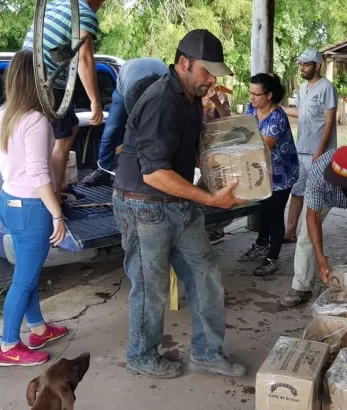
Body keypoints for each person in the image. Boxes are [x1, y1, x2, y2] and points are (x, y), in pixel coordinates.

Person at [112, 29, 246, 379]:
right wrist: (210, 197)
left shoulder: (189, 97)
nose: (211, 80)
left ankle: (207, 353)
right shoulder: (162, 100)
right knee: (151, 286)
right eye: (206, 71)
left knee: (206, 276)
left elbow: (190, 148)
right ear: (183, 63)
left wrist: (214, 174)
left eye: (215, 73)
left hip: (178, 204)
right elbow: (155, 173)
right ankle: (141, 354)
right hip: (144, 207)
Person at [0, 50, 68, 366]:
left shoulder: (4, 114)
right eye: (46, 73)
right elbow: (39, 173)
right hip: (31, 208)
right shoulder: (36, 119)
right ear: (38, 80)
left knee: (24, 274)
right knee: (25, 279)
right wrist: (57, 213)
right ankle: (8, 345)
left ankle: (39, 328)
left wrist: (9, 159)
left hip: (8, 203)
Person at [281, 146, 347, 307]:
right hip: (326, 197)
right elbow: (313, 215)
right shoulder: (319, 171)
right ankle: (301, 287)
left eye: (341, 180)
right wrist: (320, 256)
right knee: (306, 237)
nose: (336, 182)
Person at [22, 0, 105, 200]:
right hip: (47, 82)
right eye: (102, 2)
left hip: (24, 74)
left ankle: (60, 185)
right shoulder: (84, 13)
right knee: (63, 138)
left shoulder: (57, 4)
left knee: (72, 126)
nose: (101, 6)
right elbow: (84, 58)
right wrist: (95, 101)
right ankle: (54, 196)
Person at [237, 74, 299, 276]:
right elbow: (241, 126)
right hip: (262, 171)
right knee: (262, 210)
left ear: (269, 95)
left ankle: (273, 257)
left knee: (274, 214)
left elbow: (261, 148)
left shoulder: (277, 119)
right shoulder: (252, 108)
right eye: (251, 93)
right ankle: (261, 243)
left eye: (257, 94)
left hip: (281, 174)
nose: (252, 98)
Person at [81, 58, 169, 187]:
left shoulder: (167, 90)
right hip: (126, 82)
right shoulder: (130, 94)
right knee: (112, 129)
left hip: (152, 76)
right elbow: (134, 126)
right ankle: (103, 169)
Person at [283, 48, 338, 242]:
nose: (302, 68)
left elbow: (330, 120)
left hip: (319, 153)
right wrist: (277, 109)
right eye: (301, 65)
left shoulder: (326, 88)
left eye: (306, 65)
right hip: (301, 150)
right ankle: (289, 232)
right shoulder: (303, 89)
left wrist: (321, 151)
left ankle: (309, 236)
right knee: (297, 192)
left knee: (315, 196)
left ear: (317, 66)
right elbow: (301, 112)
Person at [202, 84, 233, 245]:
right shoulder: (191, 92)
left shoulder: (219, 94)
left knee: (214, 184)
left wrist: (216, 101)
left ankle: (217, 228)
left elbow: (227, 119)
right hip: (197, 144)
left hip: (214, 145)